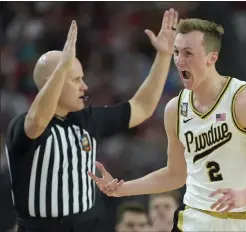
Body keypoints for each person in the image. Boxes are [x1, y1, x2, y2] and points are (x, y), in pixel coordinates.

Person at [88, 18, 246, 231]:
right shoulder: (175, 109)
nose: (179, 61)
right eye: (177, 52)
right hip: (194, 219)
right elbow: (175, 174)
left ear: (211, 58)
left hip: (245, 219)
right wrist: (122, 189)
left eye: (188, 53)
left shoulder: (243, 99)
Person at [5, 8, 179, 232]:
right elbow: (37, 121)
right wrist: (61, 69)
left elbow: (141, 107)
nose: (84, 87)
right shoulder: (22, 127)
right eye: (75, 79)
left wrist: (164, 56)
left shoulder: (87, 119)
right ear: (53, 81)